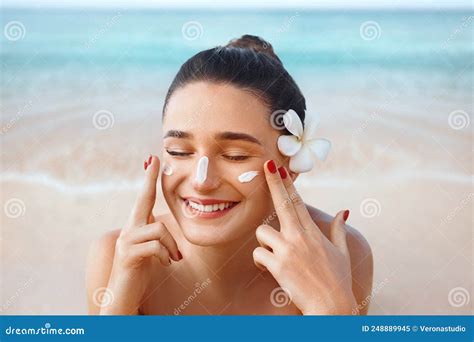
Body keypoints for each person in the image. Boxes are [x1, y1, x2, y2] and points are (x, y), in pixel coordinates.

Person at [86, 35, 373, 315]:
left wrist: (331, 308)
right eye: (179, 151)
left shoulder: (336, 258)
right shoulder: (118, 260)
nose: (201, 181)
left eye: (235, 156)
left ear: (290, 164)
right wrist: (116, 312)